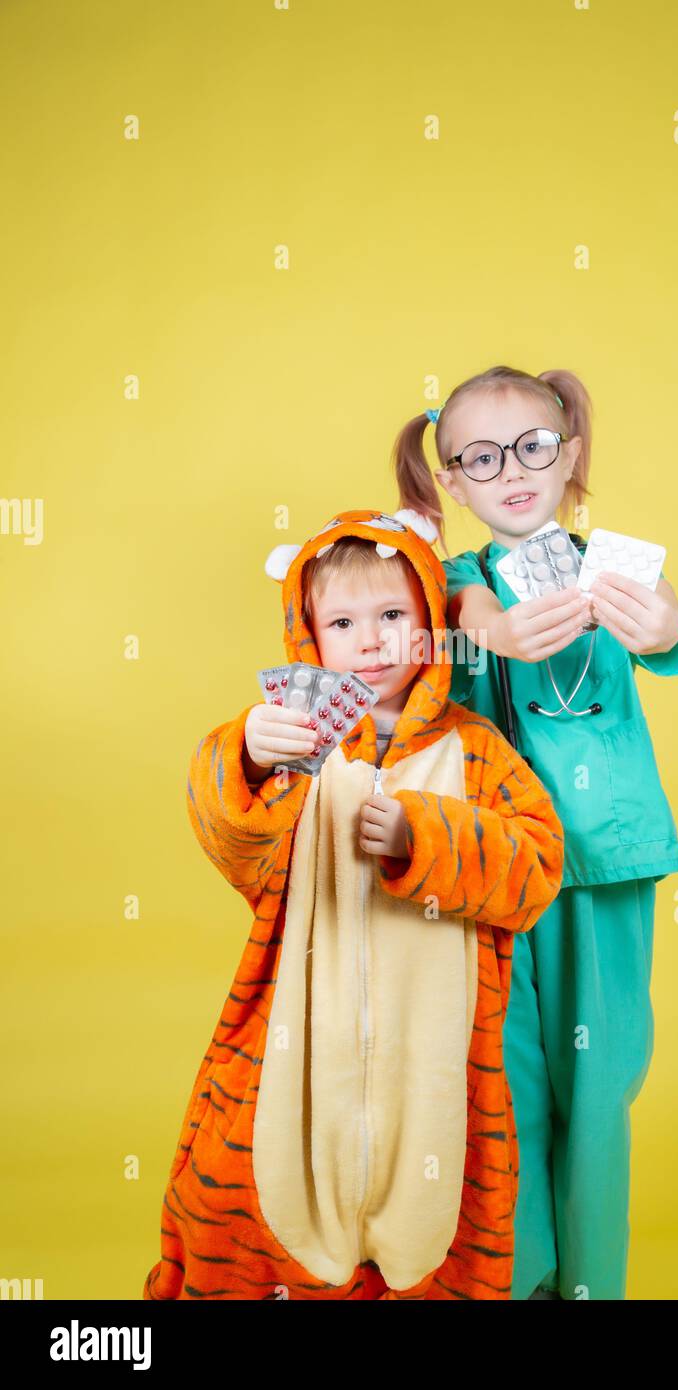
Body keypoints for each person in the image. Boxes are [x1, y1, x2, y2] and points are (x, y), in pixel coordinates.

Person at [142, 506, 564, 1301]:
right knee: (238, 1203)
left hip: (437, 1065)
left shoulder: (474, 750)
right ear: (308, 639)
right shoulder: (292, 739)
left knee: (441, 1231)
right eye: (342, 622)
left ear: (433, 624)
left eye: (394, 616)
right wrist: (248, 755)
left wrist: (423, 836)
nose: (370, 641)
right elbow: (231, 841)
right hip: (298, 1044)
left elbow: (537, 866)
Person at [391, 365, 678, 1299]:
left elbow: (672, 639)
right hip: (488, 871)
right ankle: (515, 1282)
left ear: (568, 454)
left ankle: (592, 1287)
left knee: (599, 1087)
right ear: (452, 480)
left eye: (532, 447)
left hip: (601, 862)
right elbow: (464, 615)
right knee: (503, 1087)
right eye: (479, 459)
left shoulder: (618, 572)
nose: (511, 472)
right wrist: (496, 625)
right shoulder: (454, 586)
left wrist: (659, 628)